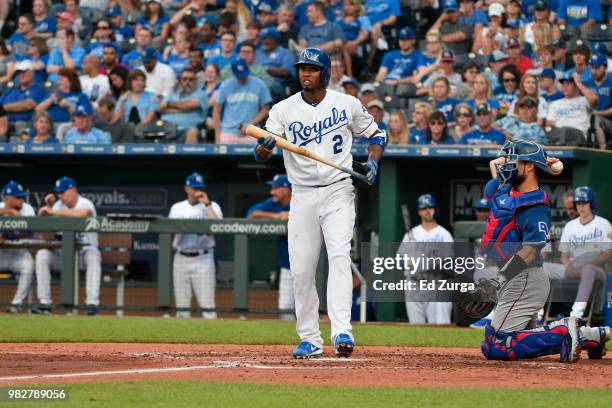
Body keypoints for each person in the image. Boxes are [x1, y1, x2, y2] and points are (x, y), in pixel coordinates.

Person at [254, 47, 387, 358]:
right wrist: (265, 146)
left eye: (312, 69)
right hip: (301, 193)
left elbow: (377, 136)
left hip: (338, 188)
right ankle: (310, 338)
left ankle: (342, 330)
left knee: (340, 255)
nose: (305, 73)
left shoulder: (347, 103)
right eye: (302, 68)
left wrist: (373, 162)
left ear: (325, 73)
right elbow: (261, 153)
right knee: (301, 269)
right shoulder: (283, 109)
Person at [471, 139, 610, 362]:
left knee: (495, 346)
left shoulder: (535, 205)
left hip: (524, 279)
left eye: (513, 160)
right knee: (521, 337)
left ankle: (565, 332)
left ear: (528, 167)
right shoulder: (505, 186)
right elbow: (494, 163)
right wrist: (543, 160)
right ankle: (591, 336)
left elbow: (529, 251)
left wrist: (498, 281)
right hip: (511, 276)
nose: (506, 164)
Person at [36, 177, 101, 315]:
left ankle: (91, 304)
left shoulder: (85, 203)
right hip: (63, 257)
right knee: (42, 255)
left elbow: (83, 214)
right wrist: (45, 208)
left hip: (83, 256)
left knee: (93, 254)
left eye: (63, 192)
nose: (60, 195)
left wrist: (53, 211)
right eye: (58, 193)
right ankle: (45, 303)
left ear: (73, 190)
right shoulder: (58, 205)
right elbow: (43, 224)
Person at [545, 186, 611, 320]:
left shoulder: (603, 224)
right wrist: (569, 266)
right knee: (544, 268)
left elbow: (607, 254)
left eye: (584, 202)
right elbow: (564, 255)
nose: (581, 206)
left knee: (588, 269)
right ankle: (540, 313)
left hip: (596, 270)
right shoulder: (570, 226)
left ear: (591, 203)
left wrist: (581, 267)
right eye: (578, 203)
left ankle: (575, 315)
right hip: (572, 268)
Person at [169, 172, 222, 319]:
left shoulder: (212, 206)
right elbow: (171, 231)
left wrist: (207, 204)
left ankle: (213, 341)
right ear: (187, 188)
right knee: (182, 307)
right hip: (181, 257)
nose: (198, 191)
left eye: (200, 187)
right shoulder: (177, 208)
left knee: (208, 306)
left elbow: (219, 227)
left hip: (203, 258)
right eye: (194, 188)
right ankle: (184, 341)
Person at [398, 194, 454, 324]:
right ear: (419, 211)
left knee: (438, 325)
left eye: (430, 207)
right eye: (424, 208)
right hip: (414, 284)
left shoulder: (444, 234)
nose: (427, 211)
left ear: (435, 209)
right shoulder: (411, 234)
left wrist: (425, 265)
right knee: (415, 327)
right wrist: (411, 263)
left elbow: (448, 262)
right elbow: (399, 260)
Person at [247, 174, 294, 320]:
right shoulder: (274, 203)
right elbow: (251, 214)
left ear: (286, 190)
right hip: (287, 265)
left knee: (310, 305)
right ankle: (289, 340)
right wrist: (275, 216)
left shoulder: (301, 200)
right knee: (285, 308)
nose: (271, 191)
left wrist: (292, 214)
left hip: (311, 265)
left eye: (275, 188)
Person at [213, 58, 272, 144]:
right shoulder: (225, 85)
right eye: (239, 75)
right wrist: (217, 135)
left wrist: (250, 125)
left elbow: (265, 109)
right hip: (228, 131)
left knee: (254, 156)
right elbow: (216, 110)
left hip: (252, 131)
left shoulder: (260, 84)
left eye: (244, 74)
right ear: (233, 73)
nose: (242, 78)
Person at [0, 181, 35, 313]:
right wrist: (8, 211)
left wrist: (8, 236)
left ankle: (16, 304)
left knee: (29, 264)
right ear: (7, 198)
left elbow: (29, 233)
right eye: (18, 197)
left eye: (22, 196)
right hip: (1, 254)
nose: (22, 199)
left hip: (18, 254)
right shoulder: (1, 207)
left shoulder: (27, 209)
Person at [159, 67, 208, 143]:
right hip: (167, 129)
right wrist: (182, 108)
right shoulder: (172, 93)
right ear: (180, 80)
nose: (187, 82)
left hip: (188, 130)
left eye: (191, 79)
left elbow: (189, 106)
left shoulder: (201, 94)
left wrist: (169, 104)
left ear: (195, 81)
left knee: (192, 132)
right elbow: (160, 108)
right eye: (184, 79)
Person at [546, 73, 598, 139]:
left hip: (579, 134)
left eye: (568, 84)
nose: (564, 87)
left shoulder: (584, 100)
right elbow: (549, 124)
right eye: (563, 84)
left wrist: (579, 84)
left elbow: (594, 99)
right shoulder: (555, 103)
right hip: (559, 135)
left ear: (576, 85)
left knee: (565, 130)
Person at [0, 61, 46, 127]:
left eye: (24, 72)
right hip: (3, 125)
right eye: (19, 73)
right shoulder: (11, 90)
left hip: (24, 127)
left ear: (32, 73)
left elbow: (28, 105)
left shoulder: (38, 89)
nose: (21, 75)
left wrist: (3, 108)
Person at [255, 27, 295, 101]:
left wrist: (266, 69)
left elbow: (286, 72)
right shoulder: (257, 53)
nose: (265, 41)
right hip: (255, 81)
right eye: (263, 39)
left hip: (275, 84)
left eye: (268, 39)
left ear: (276, 40)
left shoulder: (285, 53)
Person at [585, 54, 612, 150]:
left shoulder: (610, 83)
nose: (594, 70)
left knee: (596, 119)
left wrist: (597, 113)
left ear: (605, 67)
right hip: (588, 119)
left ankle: (602, 152)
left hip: (608, 121)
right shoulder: (587, 84)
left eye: (597, 67)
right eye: (592, 67)